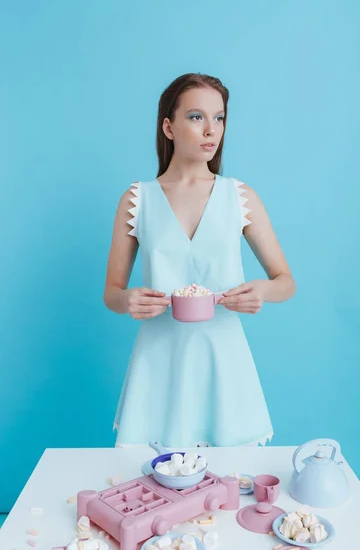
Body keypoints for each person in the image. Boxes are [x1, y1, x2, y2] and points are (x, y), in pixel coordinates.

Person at [103, 73, 295, 449]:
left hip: (224, 363)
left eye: (219, 118)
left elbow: (285, 281)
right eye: (196, 117)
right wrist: (127, 300)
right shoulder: (136, 199)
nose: (211, 130)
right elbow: (111, 292)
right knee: (155, 487)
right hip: (159, 364)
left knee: (227, 492)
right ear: (168, 126)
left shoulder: (240, 196)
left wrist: (265, 291)